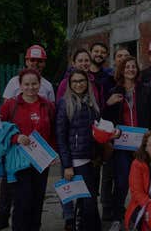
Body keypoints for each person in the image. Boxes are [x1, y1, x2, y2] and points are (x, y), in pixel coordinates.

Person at [103, 56, 151, 231]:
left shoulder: (146, 90)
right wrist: (108, 104)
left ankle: (145, 215)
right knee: (121, 182)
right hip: (122, 145)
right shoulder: (114, 91)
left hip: (144, 145)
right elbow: (105, 121)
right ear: (121, 70)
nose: (130, 69)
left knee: (146, 182)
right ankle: (117, 217)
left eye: (133, 67)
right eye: (127, 67)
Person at [0, 68, 56, 231]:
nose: (31, 87)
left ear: (40, 84)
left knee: (37, 200)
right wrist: (16, 138)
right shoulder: (11, 105)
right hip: (19, 160)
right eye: (27, 84)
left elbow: (53, 131)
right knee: (22, 201)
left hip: (41, 160)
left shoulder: (48, 105)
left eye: (34, 84)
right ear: (20, 85)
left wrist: (53, 153)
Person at [55, 69, 102, 231]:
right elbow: (61, 137)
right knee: (88, 203)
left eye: (82, 80)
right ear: (69, 84)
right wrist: (67, 165)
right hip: (76, 160)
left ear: (87, 83)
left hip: (92, 159)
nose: (78, 84)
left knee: (88, 201)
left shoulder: (92, 102)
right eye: (74, 81)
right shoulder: (64, 103)